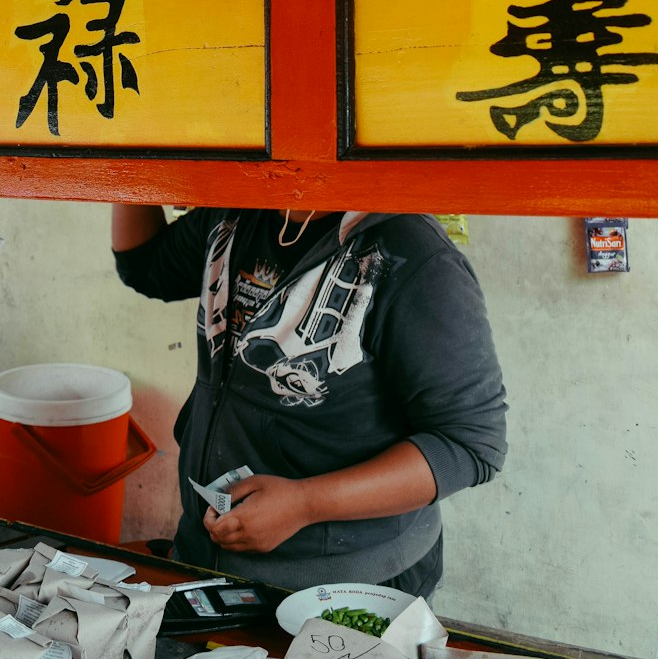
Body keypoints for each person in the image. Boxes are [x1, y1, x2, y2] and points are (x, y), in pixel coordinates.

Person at [111, 205, 507, 600]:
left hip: (349, 586)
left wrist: (305, 504)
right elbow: (146, 264)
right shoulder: (238, 210)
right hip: (208, 559)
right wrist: (129, 152)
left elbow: (469, 444)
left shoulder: (414, 254)